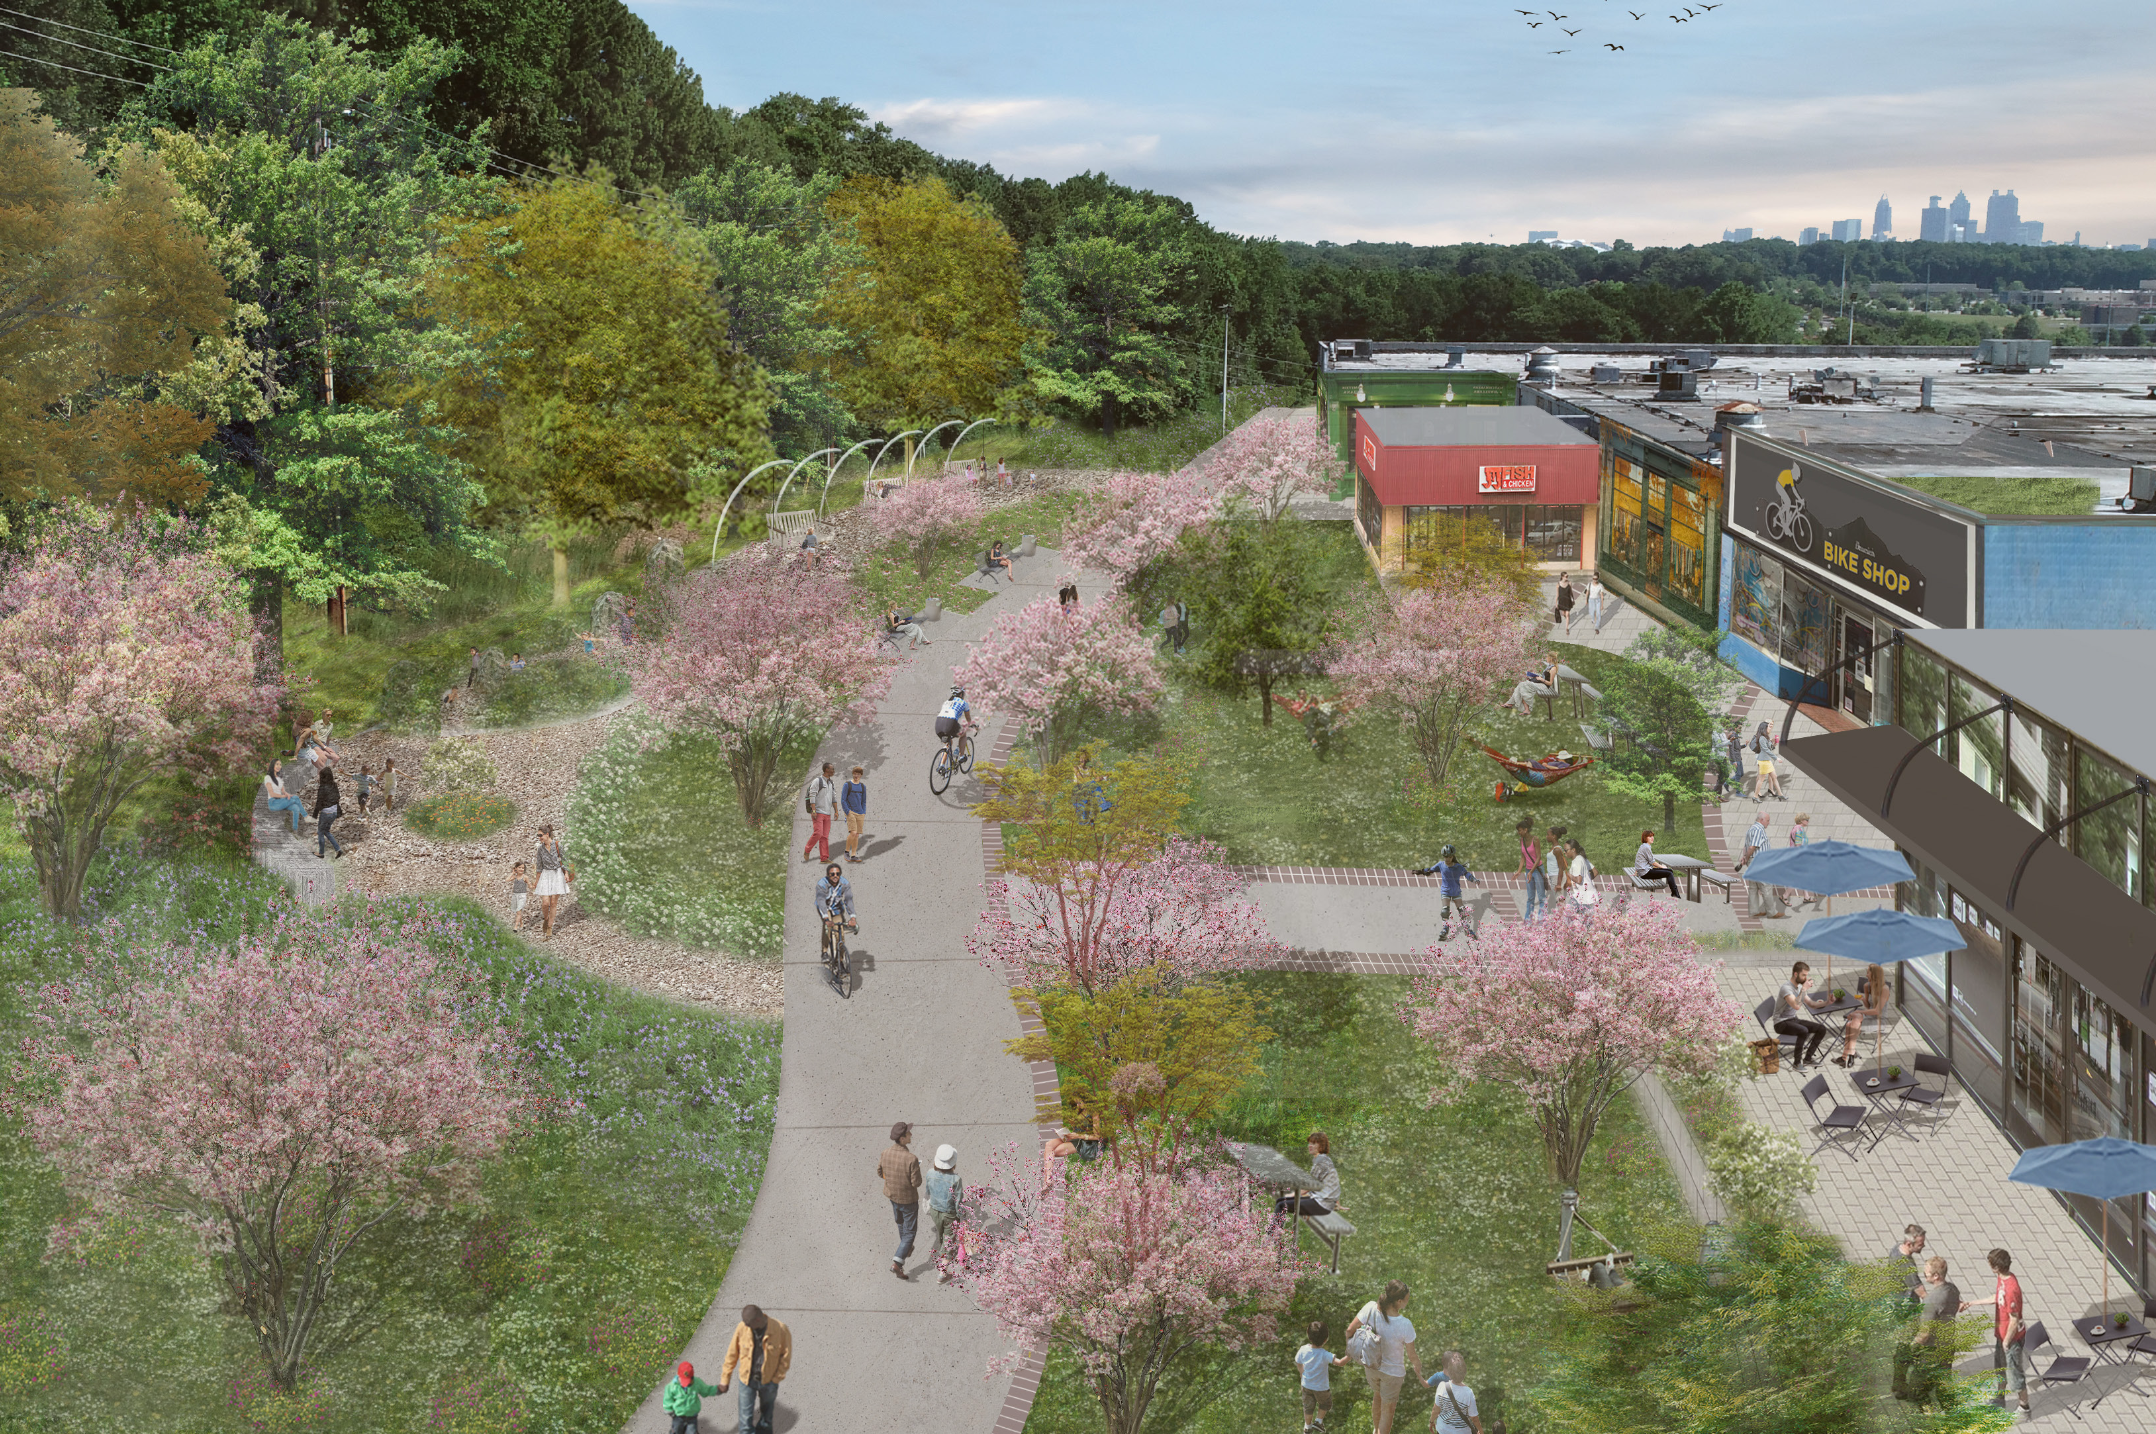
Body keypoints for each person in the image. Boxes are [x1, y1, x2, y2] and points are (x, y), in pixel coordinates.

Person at [1346, 1279, 1424, 1434]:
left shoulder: (1370, 1308)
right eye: (1406, 1300)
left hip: (1372, 1366)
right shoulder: (1405, 1324)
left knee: (1377, 1395)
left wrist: (1352, 1350)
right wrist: (1418, 1365)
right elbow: (1411, 1354)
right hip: (1392, 1374)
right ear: (1399, 1301)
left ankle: (1376, 1430)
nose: (1407, 1303)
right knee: (1388, 1409)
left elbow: (1350, 1330)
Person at [1961, 1247, 2028, 1416]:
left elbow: (2014, 1319)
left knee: (2015, 1375)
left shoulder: (2012, 1288)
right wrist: (1972, 1303)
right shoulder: (2002, 1278)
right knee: (2000, 1368)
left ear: (1996, 1267)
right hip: (2002, 1334)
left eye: (1990, 1263)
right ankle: (2000, 1398)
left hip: (2011, 1339)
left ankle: (2024, 1408)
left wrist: (2006, 1342)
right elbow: (1997, 1298)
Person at [1895, 1256, 1961, 1405]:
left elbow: (1925, 1334)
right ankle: (1952, 1415)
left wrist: (1911, 1347)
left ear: (1936, 1276)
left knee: (1916, 1391)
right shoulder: (1953, 1289)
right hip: (1948, 1345)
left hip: (1932, 1350)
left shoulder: (1931, 1301)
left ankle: (1929, 1419)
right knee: (1943, 1385)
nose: (1924, 1276)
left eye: (1926, 1274)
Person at [718, 1304, 791, 1434]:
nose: (745, 1326)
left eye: (748, 1323)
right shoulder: (742, 1328)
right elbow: (732, 1354)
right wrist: (725, 1379)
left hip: (769, 1381)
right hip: (747, 1381)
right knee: (745, 1421)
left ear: (757, 1320)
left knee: (766, 1419)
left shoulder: (780, 1329)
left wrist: (776, 1378)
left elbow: (785, 1356)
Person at [878, 1121, 922, 1280]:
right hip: (908, 1200)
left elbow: (880, 1172)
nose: (911, 1135)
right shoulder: (911, 1159)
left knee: (900, 1222)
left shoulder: (885, 1153)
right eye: (908, 1133)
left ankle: (906, 1248)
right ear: (902, 1139)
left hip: (892, 1196)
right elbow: (916, 1183)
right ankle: (897, 1262)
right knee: (910, 1231)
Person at [1415, 845, 1480, 942]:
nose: (1447, 859)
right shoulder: (1441, 865)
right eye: (1446, 857)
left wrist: (1474, 880)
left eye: (1449, 857)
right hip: (1445, 891)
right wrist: (1421, 871)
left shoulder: (1458, 867)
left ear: (1453, 856)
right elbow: (1430, 870)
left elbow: (1467, 874)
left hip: (1456, 892)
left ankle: (1466, 928)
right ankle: (1445, 928)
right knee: (1445, 911)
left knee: (1462, 911)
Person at [1275, 1132, 1342, 1224]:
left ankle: (1273, 1236)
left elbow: (1309, 1186)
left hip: (1322, 1204)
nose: (1310, 1146)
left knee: (1282, 1205)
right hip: (1321, 1201)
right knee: (1280, 1200)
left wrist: (1293, 1195)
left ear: (1321, 1146)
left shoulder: (1321, 1161)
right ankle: (1276, 1233)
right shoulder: (1323, 1159)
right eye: (1309, 1143)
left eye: (1313, 1143)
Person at [1295, 1320, 1349, 1434]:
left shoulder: (1303, 1349)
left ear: (1308, 1335)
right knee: (1325, 1403)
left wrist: (1301, 1373)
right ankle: (1318, 1421)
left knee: (1308, 1407)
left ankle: (1307, 1427)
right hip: (1321, 1388)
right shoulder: (1325, 1354)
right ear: (1326, 1339)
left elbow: (1298, 1362)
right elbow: (1340, 1363)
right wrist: (1350, 1355)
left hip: (1306, 1385)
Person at [1775, 960, 1831, 1067]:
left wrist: (1827, 1002)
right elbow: (1796, 1005)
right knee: (1803, 1031)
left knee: (1821, 1029)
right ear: (1796, 974)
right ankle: (1797, 1063)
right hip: (1781, 1023)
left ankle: (1808, 1059)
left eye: (1806, 975)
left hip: (1792, 1019)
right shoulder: (1786, 988)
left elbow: (1811, 1004)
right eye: (1803, 975)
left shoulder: (1800, 987)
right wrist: (1804, 989)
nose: (1805, 978)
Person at [1836, 962, 1889, 1066]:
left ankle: (1845, 1057)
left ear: (1874, 974)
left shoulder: (1884, 989)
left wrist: (1860, 1011)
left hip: (1878, 1020)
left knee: (1849, 1024)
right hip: (1868, 1015)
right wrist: (1864, 999)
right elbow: (1869, 1007)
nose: (1866, 975)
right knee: (1853, 1021)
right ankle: (1850, 1054)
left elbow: (1877, 1011)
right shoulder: (1867, 986)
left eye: (1868, 972)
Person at [925, 1144, 964, 1280]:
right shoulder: (956, 1179)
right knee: (949, 1239)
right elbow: (958, 1201)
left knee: (941, 1232)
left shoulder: (930, 1173)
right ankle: (942, 1273)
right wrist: (960, 1217)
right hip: (949, 1213)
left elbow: (928, 1192)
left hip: (934, 1210)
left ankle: (943, 1250)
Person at [1736, 811, 1785, 918]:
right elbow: (1752, 847)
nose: (1768, 823)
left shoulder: (1751, 829)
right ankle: (1771, 912)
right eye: (1768, 820)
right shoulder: (1759, 830)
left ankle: (1754, 911)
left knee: (1753, 887)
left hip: (1753, 861)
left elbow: (1746, 846)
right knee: (1766, 886)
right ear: (1761, 820)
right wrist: (1746, 857)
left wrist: (1745, 858)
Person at [1426, 1350, 1482, 1434]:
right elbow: (1474, 1418)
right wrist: (1480, 1430)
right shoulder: (1468, 1393)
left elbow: (1435, 1410)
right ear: (1464, 1372)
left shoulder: (1442, 1386)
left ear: (1449, 1371)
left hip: (1442, 1430)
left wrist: (1431, 1422)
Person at [662, 1360, 721, 1434]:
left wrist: (717, 1390)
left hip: (692, 1416)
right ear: (678, 1375)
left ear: (692, 1376)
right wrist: (670, 1411)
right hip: (678, 1416)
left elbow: (706, 1390)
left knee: (692, 1432)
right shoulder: (671, 1387)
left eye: (688, 1380)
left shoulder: (697, 1383)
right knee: (676, 1431)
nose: (686, 1384)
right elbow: (668, 1400)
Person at [533, 825, 571, 937]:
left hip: (557, 874)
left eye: (540, 835)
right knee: (545, 903)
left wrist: (566, 873)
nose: (539, 838)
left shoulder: (558, 845)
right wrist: (537, 881)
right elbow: (539, 866)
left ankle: (549, 927)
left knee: (553, 903)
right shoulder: (540, 849)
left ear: (547, 834)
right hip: (545, 875)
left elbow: (565, 860)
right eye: (538, 836)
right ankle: (546, 919)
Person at [802, 761, 838, 863]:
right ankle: (807, 849)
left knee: (824, 836)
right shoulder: (817, 781)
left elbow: (833, 797)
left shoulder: (831, 783)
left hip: (827, 813)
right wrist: (813, 810)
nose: (834, 771)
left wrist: (836, 811)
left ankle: (824, 858)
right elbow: (812, 795)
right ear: (826, 770)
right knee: (818, 833)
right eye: (832, 769)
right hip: (818, 812)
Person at [262, 760, 306, 837]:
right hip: (273, 803)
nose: (279, 766)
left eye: (280, 764)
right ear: (272, 765)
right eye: (277, 764)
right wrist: (284, 796)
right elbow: (272, 794)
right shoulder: (268, 777)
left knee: (296, 807)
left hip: (281, 802)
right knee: (295, 798)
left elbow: (283, 791)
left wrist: (288, 795)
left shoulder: (279, 778)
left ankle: (295, 830)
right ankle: (306, 816)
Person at [1632, 829, 1681, 898]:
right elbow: (1652, 862)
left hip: (1644, 871)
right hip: (1645, 873)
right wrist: (1662, 867)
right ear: (1645, 838)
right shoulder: (1646, 847)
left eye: (1652, 836)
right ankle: (1675, 894)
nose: (1652, 838)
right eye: (1650, 836)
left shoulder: (1644, 846)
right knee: (1669, 873)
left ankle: (1674, 893)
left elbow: (1639, 860)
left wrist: (1637, 870)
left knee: (1670, 871)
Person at [1517, 818, 1548, 923]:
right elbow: (1523, 857)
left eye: (1520, 830)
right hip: (1528, 870)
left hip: (1537, 870)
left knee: (1541, 897)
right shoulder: (1522, 841)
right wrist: (1519, 871)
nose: (1519, 832)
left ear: (1525, 830)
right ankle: (1528, 919)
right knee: (1530, 897)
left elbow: (1538, 857)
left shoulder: (1535, 839)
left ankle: (1541, 919)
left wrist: (1531, 872)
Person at [814, 862, 855, 932]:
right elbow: (821, 900)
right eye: (832, 874)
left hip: (836, 907)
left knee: (839, 930)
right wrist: (826, 919)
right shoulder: (821, 884)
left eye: (837, 874)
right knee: (828, 929)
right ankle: (825, 942)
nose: (835, 876)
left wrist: (853, 918)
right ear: (827, 875)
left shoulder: (845, 883)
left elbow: (848, 900)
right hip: (824, 907)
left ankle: (840, 942)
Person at [1750, 721, 1785, 801]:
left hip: (1767, 761)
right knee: (1761, 779)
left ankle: (1780, 794)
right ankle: (1755, 796)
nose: (1770, 728)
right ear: (1764, 728)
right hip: (1763, 761)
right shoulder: (1762, 738)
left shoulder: (1766, 737)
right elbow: (1766, 750)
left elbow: (1769, 748)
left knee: (1774, 777)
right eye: (1769, 726)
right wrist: (1776, 758)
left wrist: (1774, 743)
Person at [315, 766, 344, 860]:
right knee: (326, 831)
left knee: (320, 832)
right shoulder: (334, 785)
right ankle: (338, 849)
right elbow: (338, 797)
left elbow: (319, 801)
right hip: (334, 812)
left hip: (326, 812)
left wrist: (314, 815)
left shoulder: (322, 787)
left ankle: (321, 853)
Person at [841, 766, 869, 862]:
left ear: (861, 775)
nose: (856, 776)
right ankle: (846, 852)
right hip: (850, 812)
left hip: (860, 812)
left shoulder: (862, 786)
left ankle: (853, 855)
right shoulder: (847, 785)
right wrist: (847, 811)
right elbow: (843, 800)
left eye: (858, 774)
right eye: (854, 774)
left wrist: (863, 812)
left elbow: (864, 801)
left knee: (857, 834)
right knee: (852, 832)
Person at [935, 687, 971, 758]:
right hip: (950, 722)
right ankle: (961, 756)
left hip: (938, 723)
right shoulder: (963, 703)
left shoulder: (946, 702)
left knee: (948, 744)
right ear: (961, 694)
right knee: (963, 734)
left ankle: (942, 765)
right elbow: (968, 718)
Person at [1567, 838, 1600, 911]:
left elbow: (1578, 880)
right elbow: (1595, 872)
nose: (1564, 852)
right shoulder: (1583, 859)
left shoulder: (1578, 861)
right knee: (1569, 915)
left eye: (1566, 850)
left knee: (1570, 916)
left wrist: (1568, 874)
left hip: (1584, 897)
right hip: (1581, 896)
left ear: (1573, 850)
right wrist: (1586, 880)